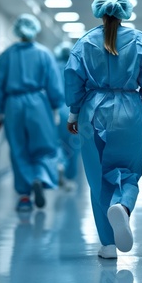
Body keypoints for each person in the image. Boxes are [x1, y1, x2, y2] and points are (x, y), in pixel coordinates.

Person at [64, 0, 142, 259]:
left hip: (92, 113)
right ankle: (123, 205)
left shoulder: (84, 43)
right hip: (131, 111)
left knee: (98, 179)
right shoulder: (140, 40)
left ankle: (108, 245)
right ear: (124, 11)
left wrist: (74, 114)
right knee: (129, 172)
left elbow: (74, 80)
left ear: (99, 10)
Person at [0, 14, 64, 212]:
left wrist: (0, 111)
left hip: (13, 105)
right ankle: (39, 177)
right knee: (45, 148)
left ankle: (23, 196)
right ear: (35, 30)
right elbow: (54, 87)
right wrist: (55, 106)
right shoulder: (44, 54)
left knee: (18, 150)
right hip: (39, 104)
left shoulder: (5, 56)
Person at [54, 41, 80, 191]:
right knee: (72, 146)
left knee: (56, 144)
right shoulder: (75, 68)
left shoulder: (53, 67)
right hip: (73, 112)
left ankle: (59, 163)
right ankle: (69, 179)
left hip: (55, 112)